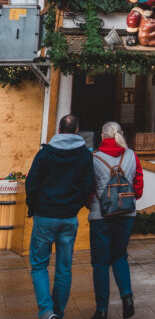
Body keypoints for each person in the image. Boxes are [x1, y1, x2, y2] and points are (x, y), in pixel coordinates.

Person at [25, 113, 95, 319]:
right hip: (68, 217)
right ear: (76, 131)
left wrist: (33, 207)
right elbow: (88, 186)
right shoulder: (84, 155)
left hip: (45, 215)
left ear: (58, 130)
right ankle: (58, 312)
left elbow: (31, 183)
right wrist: (75, 206)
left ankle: (46, 311)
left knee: (39, 265)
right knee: (64, 268)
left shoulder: (45, 154)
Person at [88, 121, 144, 319]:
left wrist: (92, 204)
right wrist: (127, 200)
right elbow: (138, 186)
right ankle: (127, 297)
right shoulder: (131, 155)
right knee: (120, 256)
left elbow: (88, 188)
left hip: (100, 217)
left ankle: (102, 309)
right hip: (126, 215)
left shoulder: (93, 158)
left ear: (103, 136)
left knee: (100, 263)